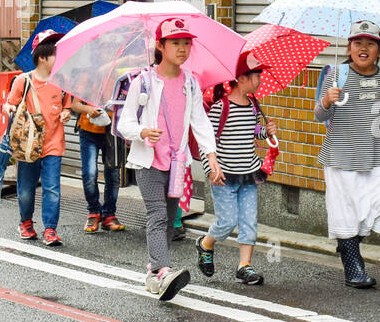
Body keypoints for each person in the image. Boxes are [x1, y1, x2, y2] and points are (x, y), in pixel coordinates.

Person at [117, 17, 222, 301]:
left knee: (170, 216)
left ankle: (154, 272)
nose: (183, 49)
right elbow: (123, 124)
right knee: (158, 215)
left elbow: (200, 122)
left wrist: (210, 156)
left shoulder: (190, 82)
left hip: (178, 163)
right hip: (148, 161)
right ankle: (163, 269)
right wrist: (141, 131)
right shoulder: (144, 81)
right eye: (176, 43)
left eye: (186, 43)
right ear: (161, 46)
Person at [315, 19, 380, 288]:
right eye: (358, 43)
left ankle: (346, 241)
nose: (363, 48)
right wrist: (327, 100)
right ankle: (353, 269)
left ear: (378, 49)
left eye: (370, 44)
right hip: (341, 156)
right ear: (349, 47)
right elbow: (319, 116)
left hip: (375, 157)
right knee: (345, 212)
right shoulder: (336, 74)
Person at [3, 31, 102, 247]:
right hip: (28, 146)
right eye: (56, 55)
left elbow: (67, 107)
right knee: (27, 189)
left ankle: (50, 229)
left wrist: (67, 113)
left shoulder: (62, 82)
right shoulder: (23, 81)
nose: (60, 59)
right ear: (42, 57)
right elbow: (9, 104)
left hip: (53, 144)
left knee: (52, 188)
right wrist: (10, 108)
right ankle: (26, 222)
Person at [197, 51, 276, 287]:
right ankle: (206, 244)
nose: (260, 80)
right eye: (256, 75)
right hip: (225, 176)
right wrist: (211, 169)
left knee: (249, 220)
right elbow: (205, 141)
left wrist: (266, 132)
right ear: (241, 78)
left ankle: (245, 266)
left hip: (249, 173)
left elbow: (251, 132)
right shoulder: (221, 108)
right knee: (227, 222)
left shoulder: (253, 104)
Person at [77, 98, 125, 234]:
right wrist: (88, 109)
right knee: (89, 173)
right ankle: (94, 212)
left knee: (113, 174)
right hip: (87, 130)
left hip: (114, 129)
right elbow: (75, 104)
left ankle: (109, 214)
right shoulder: (85, 76)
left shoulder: (120, 79)